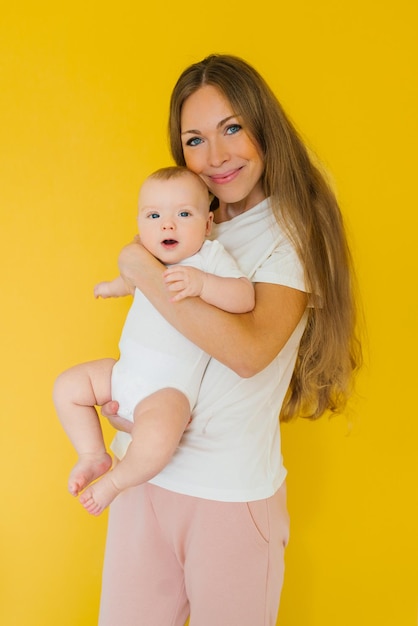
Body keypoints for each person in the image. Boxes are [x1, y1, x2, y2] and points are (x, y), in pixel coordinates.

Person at [97, 54, 362, 626]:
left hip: (229, 496)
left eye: (232, 128)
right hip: (144, 476)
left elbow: (247, 352)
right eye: (195, 140)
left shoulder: (292, 231)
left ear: (265, 126)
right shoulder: (190, 220)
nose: (215, 157)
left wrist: (137, 267)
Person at [53, 166, 255, 516]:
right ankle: (93, 454)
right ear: (140, 223)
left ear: (207, 224)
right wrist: (114, 287)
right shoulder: (148, 257)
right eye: (155, 215)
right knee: (67, 387)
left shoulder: (208, 258)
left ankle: (115, 482)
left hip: (167, 391)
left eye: (183, 214)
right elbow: (133, 280)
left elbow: (245, 297)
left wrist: (203, 284)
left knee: (159, 438)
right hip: (124, 374)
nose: (168, 224)